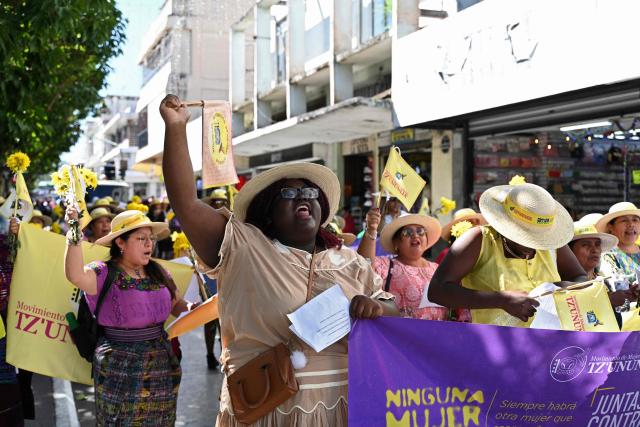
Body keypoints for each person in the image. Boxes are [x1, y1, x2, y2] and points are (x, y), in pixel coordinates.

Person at [160, 94, 398, 426]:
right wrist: (175, 128)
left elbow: (391, 309)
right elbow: (186, 204)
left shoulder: (350, 262)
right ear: (267, 214)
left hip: (344, 406)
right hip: (267, 407)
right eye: (289, 193)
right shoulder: (244, 247)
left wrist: (375, 307)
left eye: (311, 193)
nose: (303, 197)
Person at [64, 208, 197, 425]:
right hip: (118, 365)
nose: (149, 244)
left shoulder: (160, 272)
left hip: (161, 364)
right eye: (141, 238)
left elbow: (177, 305)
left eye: (151, 239)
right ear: (121, 243)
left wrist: (195, 308)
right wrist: (74, 231)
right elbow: (75, 275)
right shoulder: (102, 272)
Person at [429, 183, 588, 327]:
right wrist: (500, 300)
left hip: (547, 346)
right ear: (506, 225)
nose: (532, 245)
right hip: (493, 350)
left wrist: (564, 289)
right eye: (525, 236)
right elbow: (437, 290)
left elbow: (580, 277)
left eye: (538, 239)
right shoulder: (479, 240)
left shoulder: (551, 245)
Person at [358, 209, 468, 321]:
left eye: (420, 232)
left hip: (438, 336)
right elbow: (363, 267)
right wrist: (371, 230)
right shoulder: (386, 265)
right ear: (396, 242)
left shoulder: (438, 269)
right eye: (408, 232)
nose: (415, 235)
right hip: (399, 336)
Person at [568, 218, 638, 326]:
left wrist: (629, 295)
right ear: (569, 252)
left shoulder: (603, 282)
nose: (594, 250)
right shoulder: (562, 283)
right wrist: (607, 301)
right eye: (586, 245)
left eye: (597, 244)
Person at [597, 202, 640, 278]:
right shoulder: (607, 256)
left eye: (635, 220)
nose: (631, 224)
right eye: (624, 220)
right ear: (610, 227)